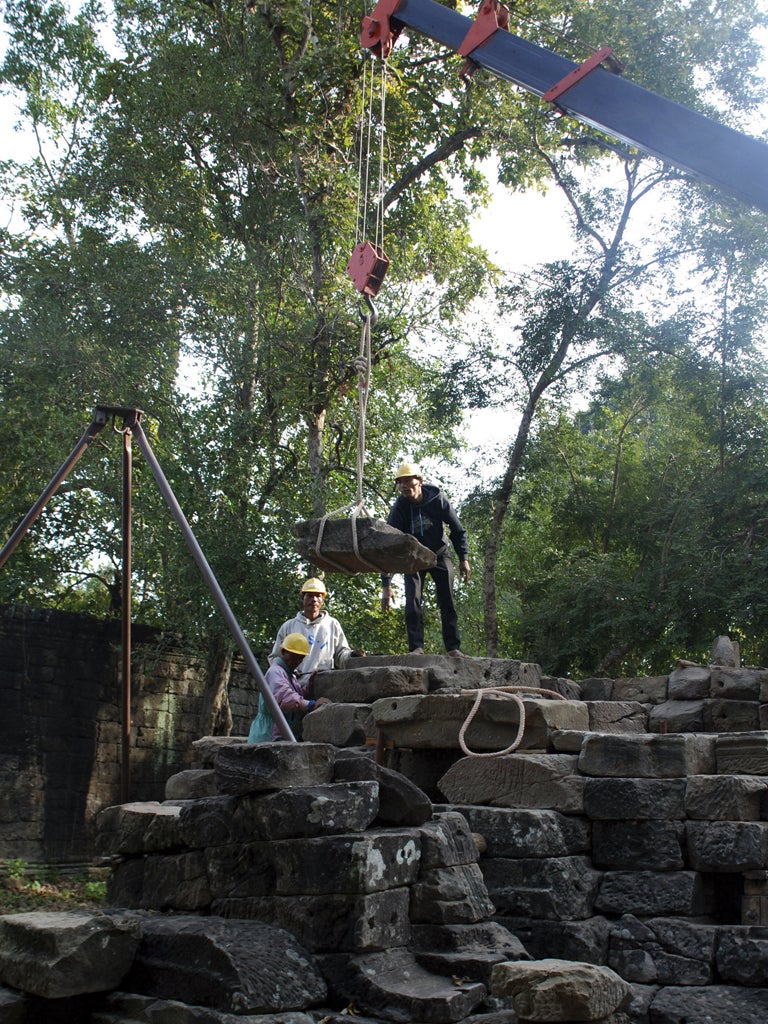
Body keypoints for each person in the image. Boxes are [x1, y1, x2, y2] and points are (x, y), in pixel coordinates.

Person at [381, 462, 470, 657]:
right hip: (413, 559)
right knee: (412, 601)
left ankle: (453, 647)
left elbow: (457, 529)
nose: (404, 486)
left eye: (407, 481)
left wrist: (464, 558)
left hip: (439, 554)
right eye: (400, 483)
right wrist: (386, 583)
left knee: (447, 600)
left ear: (419, 481)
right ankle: (416, 648)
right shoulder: (400, 507)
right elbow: (388, 544)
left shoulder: (438, 500)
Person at [269, 577, 364, 682]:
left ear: (323, 600)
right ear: (303, 598)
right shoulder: (289, 626)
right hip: (294, 686)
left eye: (318, 596)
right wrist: (287, 674)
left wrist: (352, 655)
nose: (314, 599)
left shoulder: (332, 624)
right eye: (309, 596)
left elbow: (341, 654)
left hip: (324, 685)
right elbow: (275, 659)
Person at [265, 632, 330, 740]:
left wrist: (311, 682)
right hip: (270, 733)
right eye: (294, 657)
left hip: (282, 732)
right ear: (283, 652)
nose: (298, 662)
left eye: (301, 658)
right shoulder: (275, 672)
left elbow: (300, 695)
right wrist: (311, 705)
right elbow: (286, 698)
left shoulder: (290, 675)